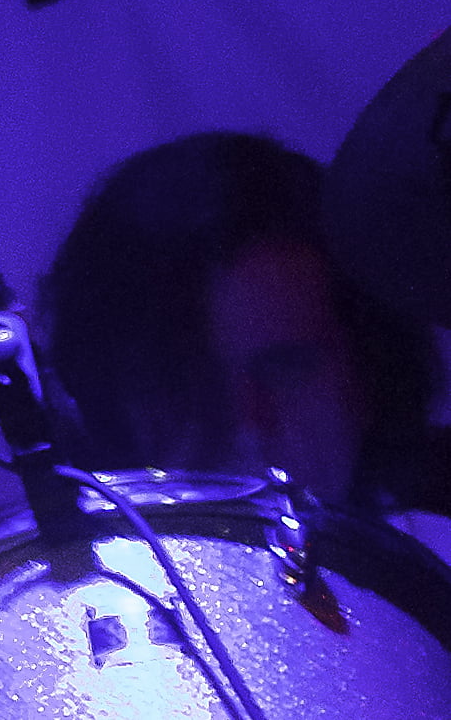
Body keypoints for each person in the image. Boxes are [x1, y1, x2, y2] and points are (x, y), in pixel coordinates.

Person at [41, 129, 447, 514]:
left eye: (286, 368)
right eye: (195, 378)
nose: (248, 421)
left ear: (371, 372)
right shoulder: (63, 587)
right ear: (111, 408)